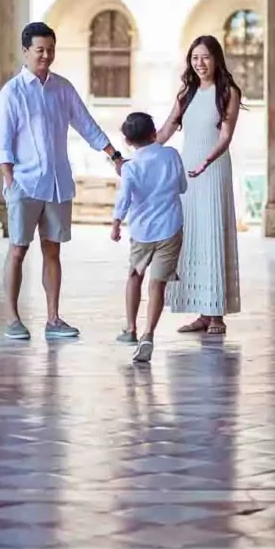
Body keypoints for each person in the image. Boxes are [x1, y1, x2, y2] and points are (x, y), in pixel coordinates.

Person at [0, 20, 124, 341]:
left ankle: (53, 319)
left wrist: (115, 155)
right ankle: (12, 318)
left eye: (51, 50)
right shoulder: (11, 93)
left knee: (53, 251)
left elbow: (86, 124)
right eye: (40, 50)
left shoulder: (62, 88)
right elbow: (3, 142)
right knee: (17, 251)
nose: (46, 56)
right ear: (25, 52)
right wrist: (10, 180)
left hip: (57, 184)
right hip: (24, 183)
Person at [157, 33, 241, 335]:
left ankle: (217, 312)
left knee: (213, 234)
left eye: (205, 57)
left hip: (214, 169)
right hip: (187, 172)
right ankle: (201, 313)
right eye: (195, 58)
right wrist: (144, 149)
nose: (200, 63)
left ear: (216, 58)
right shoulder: (187, 92)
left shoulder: (228, 91)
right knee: (192, 236)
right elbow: (167, 128)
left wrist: (207, 160)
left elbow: (226, 136)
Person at [111, 110, 187, 365]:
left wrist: (116, 224)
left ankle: (130, 328)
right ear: (154, 134)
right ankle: (148, 335)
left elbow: (124, 199)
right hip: (170, 227)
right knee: (157, 284)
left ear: (128, 142)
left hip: (142, 231)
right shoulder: (172, 155)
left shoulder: (130, 168)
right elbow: (183, 187)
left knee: (135, 276)